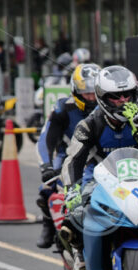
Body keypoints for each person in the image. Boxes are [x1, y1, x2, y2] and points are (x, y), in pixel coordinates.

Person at [61, 65, 138, 270]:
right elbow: (73, 161)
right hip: (100, 181)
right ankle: (80, 251)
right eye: (115, 97)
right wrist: (71, 189)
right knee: (76, 210)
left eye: (127, 95)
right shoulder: (89, 125)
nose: (123, 101)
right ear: (102, 98)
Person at [35, 63, 101, 249]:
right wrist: (45, 165)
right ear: (75, 91)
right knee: (47, 187)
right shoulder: (63, 109)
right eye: (86, 93)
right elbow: (45, 138)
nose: (91, 98)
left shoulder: (111, 107)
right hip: (68, 158)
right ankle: (50, 225)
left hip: (102, 160)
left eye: (94, 93)